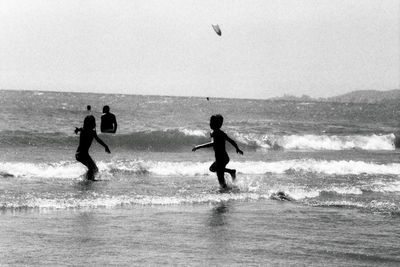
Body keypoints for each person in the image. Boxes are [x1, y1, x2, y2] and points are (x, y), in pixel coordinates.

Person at [192, 114, 243, 188]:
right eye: (210, 122)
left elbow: (218, 143)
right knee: (212, 169)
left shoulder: (219, 133)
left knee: (220, 178)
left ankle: (225, 191)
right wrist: (237, 148)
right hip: (221, 158)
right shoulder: (213, 132)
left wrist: (198, 146)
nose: (210, 124)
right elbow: (231, 141)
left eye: (213, 123)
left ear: (219, 125)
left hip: (222, 158)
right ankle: (231, 172)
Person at [75, 115, 111, 180]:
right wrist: (78, 129)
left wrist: (106, 146)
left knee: (95, 169)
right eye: (92, 123)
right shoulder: (85, 131)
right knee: (93, 168)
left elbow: (98, 139)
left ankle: (86, 179)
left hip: (84, 154)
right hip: (81, 154)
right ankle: (88, 179)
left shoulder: (92, 132)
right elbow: (82, 129)